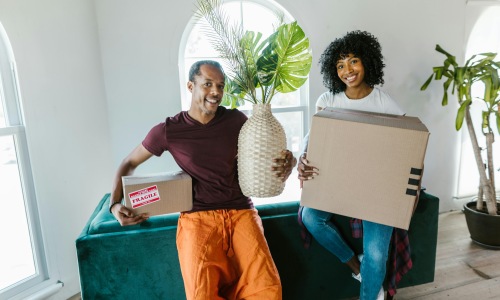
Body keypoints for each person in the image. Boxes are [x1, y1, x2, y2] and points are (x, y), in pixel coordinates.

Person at [109, 60, 296, 300]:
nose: (216, 92)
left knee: (267, 289)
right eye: (208, 84)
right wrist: (114, 205)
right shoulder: (169, 130)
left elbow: (265, 158)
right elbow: (128, 163)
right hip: (198, 218)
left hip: (241, 212)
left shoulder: (237, 121)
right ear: (190, 85)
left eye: (220, 85)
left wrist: (287, 163)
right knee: (201, 294)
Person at [297, 31, 406, 300]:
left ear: (367, 61)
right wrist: (303, 158)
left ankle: (369, 294)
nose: (348, 70)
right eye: (340, 65)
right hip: (338, 183)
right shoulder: (328, 101)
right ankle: (355, 266)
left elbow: (408, 144)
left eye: (354, 61)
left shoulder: (385, 102)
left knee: (378, 255)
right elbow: (313, 141)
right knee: (310, 216)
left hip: (377, 190)